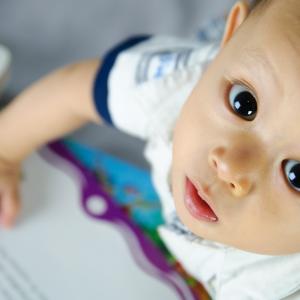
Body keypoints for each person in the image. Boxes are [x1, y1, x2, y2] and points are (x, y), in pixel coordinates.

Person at [2, 0, 300, 298]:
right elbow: (75, 90)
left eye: (295, 174)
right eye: (243, 103)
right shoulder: (177, 82)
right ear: (232, 35)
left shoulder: (278, 286)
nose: (230, 166)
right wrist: (5, 150)